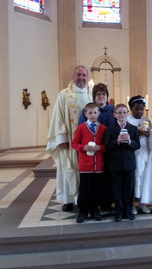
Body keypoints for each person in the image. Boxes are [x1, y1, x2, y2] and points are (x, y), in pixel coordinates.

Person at [47, 66, 93, 212]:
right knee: (68, 168)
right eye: (78, 75)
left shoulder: (92, 94)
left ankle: (87, 198)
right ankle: (68, 199)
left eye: (84, 75)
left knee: (87, 171)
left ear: (88, 77)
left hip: (88, 142)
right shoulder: (64, 94)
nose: (81, 78)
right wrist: (61, 138)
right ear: (73, 77)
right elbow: (58, 117)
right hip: (70, 140)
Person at [78, 83, 116, 211]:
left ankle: (106, 203)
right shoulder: (88, 111)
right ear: (94, 96)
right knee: (92, 182)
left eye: (104, 94)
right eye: (98, 94)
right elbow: (82, 130)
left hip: (109, 150)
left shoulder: (113, 110)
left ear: (107, 96)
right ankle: (90, 207)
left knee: (107, 178)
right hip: (92, 153)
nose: (101, 96)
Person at [71, 102, 106, 223]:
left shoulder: (103, 128)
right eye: (90, 113)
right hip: (85, 166)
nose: (93, 115)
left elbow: (106, 145)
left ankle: (95, 210)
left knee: (97, 189)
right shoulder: (81, 128)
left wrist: (100, 148)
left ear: (99, 113)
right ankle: (83, 211)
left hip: (99, 166)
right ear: (85, 114)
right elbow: (74, 144)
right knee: (85, 189)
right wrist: (83, 148)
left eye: (95, 112)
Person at [105, 104, 140, 222]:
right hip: (115, 164)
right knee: (116, 188)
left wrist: (130, 141)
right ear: (115, 115)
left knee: (129, 188)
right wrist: (117, 141)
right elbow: (107, 146)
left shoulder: (133, 128)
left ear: (128, 114)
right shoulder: (110, 128)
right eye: (119, 112)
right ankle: (118, 211)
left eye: (124, 112)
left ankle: (128, 211)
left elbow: (137, 145)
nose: (122, 115)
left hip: (129, 163)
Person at [127, 95, 152, 215]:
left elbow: (151, 134)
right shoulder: (128, 120)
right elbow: (127, 135)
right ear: (131, 108)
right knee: (134, 179)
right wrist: (138, 133)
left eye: (141, 109)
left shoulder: (146, 120)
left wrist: (149, 134)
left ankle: (143, 203)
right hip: (134, 154)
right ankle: (132, 204)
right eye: (136, 109)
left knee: (144, 178)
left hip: (144, 151)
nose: (139, 111)